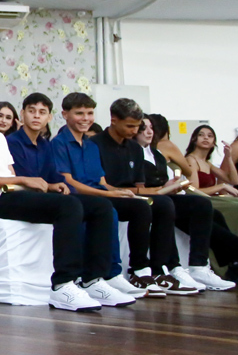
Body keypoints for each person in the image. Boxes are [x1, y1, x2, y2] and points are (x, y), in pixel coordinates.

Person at [0, 80, 124, 311]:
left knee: (100, 207)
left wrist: (47, 186)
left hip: (11, 194)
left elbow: (10, 175)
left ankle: (93, 279)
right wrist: (22, 180)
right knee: (68, 207)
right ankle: (63, 284)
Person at [91, 98, 233, 292]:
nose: (134, 131)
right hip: (110, 195)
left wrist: (156, 190)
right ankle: (140, 269)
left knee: (200, 204)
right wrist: (147, 192)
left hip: (135, 194)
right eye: (130, 126)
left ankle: (192, 266)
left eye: (137, 127)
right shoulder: (95, 144)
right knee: (151, 205)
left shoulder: (135, 148)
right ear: (114, 120)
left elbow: (139, 185)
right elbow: (102, 184)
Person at [50, 94, 164, 298]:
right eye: (79, 113)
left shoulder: (91, 145)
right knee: (106, 209)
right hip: (76, 197)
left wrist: (118, 191)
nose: (86, 118)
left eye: (89, 113)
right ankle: (107, 273)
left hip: (97, 194)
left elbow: (101, 181)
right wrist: (109, 193)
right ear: (65, 115)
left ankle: (139, 269)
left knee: (140, 206)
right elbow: (69, 181)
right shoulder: (59, 143)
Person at [145, 116, 238, 289]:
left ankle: (234, 260)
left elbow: (233, 180)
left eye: (210, 136)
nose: (206, 138)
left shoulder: (205, 162)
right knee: (233, 207)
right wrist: (221, 186)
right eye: (202, 135)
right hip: (179, 195)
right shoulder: (175, 151)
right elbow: (191, 180)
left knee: (217, 210)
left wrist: (228, 157)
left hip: (181, 195)